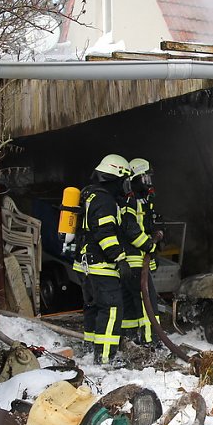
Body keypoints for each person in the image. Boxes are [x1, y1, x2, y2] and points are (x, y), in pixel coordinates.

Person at [72, 154, 133, 365]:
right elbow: (105, 233)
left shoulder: (89, 196)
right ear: (115, 177)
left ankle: (91, 350)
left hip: (85, 264)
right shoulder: (105, 200)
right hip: (100, 265)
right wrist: (120, 258)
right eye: (124, 180)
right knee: (112, 309)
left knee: (93, 308)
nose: (125, 186)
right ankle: (105, 359)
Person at [118, 158, 159, 345]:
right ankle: (152, 342)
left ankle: (131, 339)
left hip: (135, 261)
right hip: (134, 261)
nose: (148, 183)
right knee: (147, 302)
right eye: (144, 179)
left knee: (130, 304)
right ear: (133, 181)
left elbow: (145, 228)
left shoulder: (141, 202)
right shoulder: (130, 203)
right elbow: (132, 231)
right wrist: (150, 246)